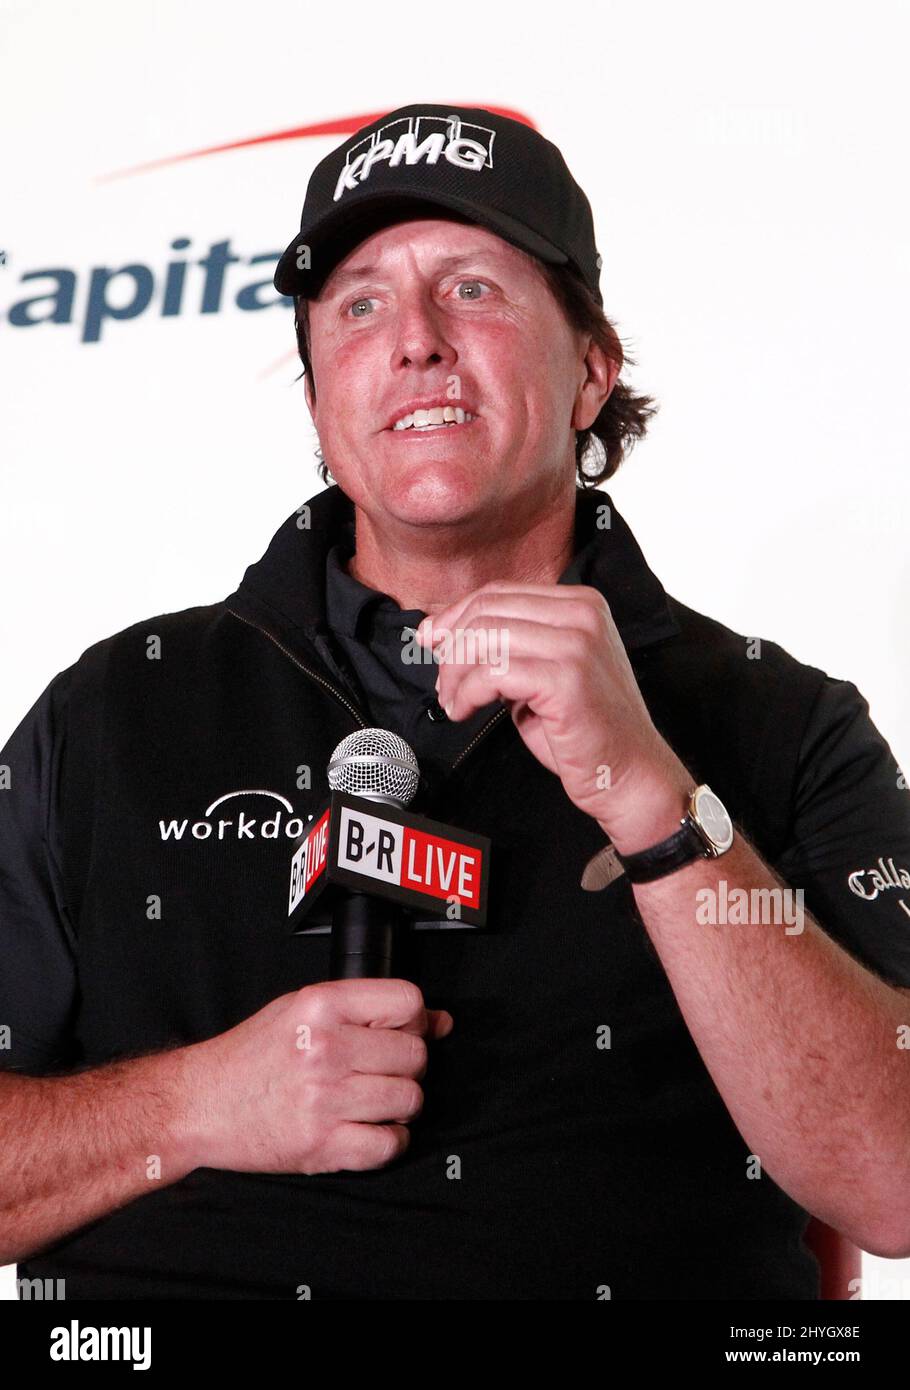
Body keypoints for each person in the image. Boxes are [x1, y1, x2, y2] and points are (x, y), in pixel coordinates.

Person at [2, 102, 910, 1301]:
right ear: (321, 398)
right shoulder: (112, 711)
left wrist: (651, 801)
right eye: (361, 304)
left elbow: (889, 1181)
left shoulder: (780, 724)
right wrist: (195, 1102)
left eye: (473, 287)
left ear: (591, 369)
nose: (415, 340)